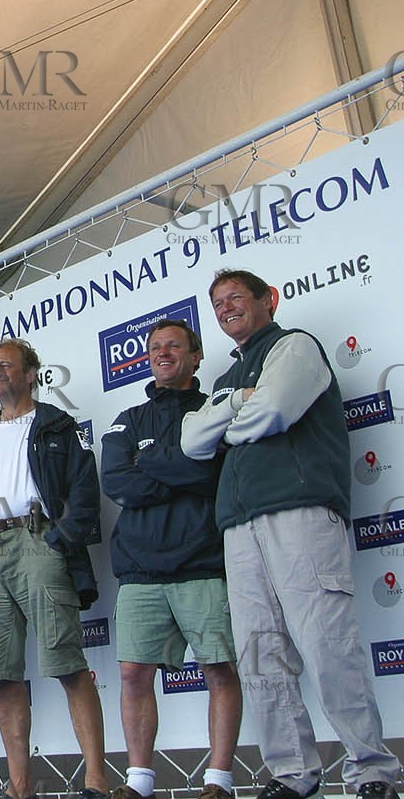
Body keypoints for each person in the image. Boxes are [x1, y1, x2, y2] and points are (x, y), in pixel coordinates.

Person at [181, 269, 401, 799]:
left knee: (328, 644)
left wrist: (228, 421)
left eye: (236, 297)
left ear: (268, 299)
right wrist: (237, 403)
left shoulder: (295, 346)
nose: (226, 307)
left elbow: (274, 412)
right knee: (261, 654)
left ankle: (372, 771)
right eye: (217, 303)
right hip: (239, 525)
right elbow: (191, 441)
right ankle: (293, 774)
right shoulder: (224, 381)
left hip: (299, 514)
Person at [0, 340, 108, 799]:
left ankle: (95, 781)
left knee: (67, 662)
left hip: (37, 541)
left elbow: (84, 493)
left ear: (31, 374)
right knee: (0, 675)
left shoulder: (56, 426)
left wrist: (57, 539)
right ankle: (19, 788)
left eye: (5, 366)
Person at [102, 320, 241, 799]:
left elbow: (217, 476)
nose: (162, 353)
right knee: (132, 675)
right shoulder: (128, 418)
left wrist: (155, 464)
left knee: (219, 669)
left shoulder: (215, 408)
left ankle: (219, 781)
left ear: (196, 356)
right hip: (140, 568)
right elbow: (118, 482)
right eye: (155, 347)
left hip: (204, 561)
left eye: (173, 346)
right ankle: (139, 781)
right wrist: (182, 467)